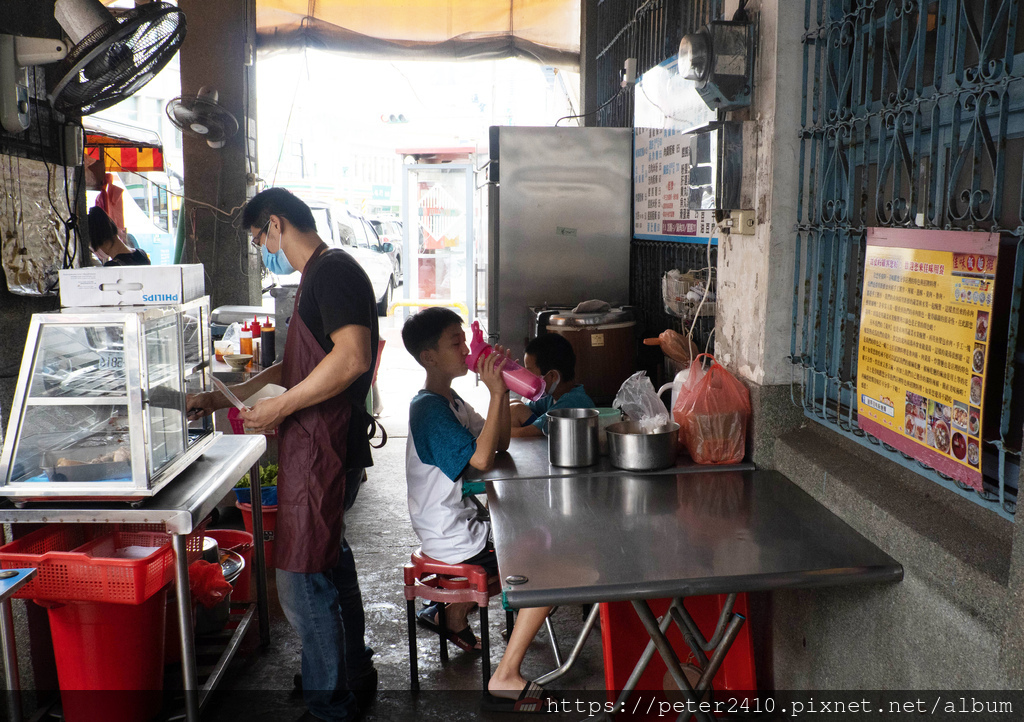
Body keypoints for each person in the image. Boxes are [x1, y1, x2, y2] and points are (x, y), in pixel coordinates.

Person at [186, 188, 379, 722]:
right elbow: (297, 369)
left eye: (258, 239)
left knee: (299, 578)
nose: (261, 250)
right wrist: (221, 396)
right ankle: (350, 673)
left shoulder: (332, 272)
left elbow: (352, 357)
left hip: (325, 450)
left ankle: (329, 705)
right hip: (318, 447)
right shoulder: (316, 276)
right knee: (329, 564)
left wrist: (279, 410)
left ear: (275, 225)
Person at [401, 307, 558, 712]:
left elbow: (499, 442)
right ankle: (505, 675)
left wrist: (502, 388)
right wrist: (493, 391)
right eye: (457, 343)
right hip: (453, 536)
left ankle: (450, 617)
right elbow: (481, 462)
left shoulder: (449, 401)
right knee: (550, 569)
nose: (468, 349)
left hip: (461, 523)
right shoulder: (428, 410)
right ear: (429, 357)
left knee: (537, 535)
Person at [510, 333, 595, 437]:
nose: (528, 378)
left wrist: (494, 434)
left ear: (552, 376)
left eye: (530, 373)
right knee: (515, 407)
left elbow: (523, 433)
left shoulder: (573, 403)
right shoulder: (552, 396)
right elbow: (520, 408)